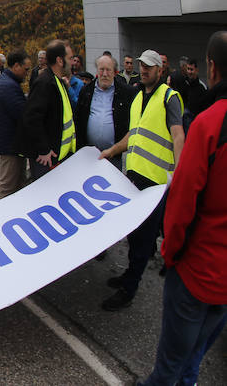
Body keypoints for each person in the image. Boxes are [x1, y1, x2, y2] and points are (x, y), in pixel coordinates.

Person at [138, 31, 227, 385]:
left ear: (211, 67)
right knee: (194, 358)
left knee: (169, 366)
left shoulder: (209, 123)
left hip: (196, 269)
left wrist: (171, 252)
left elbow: (182, 201)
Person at [99, 49, 185, 311]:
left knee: (144, 238)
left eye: (150, 66)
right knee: (134, 234)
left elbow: (178, 135)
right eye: (141, 66)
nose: (144, 70)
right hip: (134, 176)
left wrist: (180, 175)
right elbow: (132, 135)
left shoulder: (169, 97)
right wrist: (111, 151)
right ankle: (129, 275)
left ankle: (130, 287)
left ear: (160, 70)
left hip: (156, 182)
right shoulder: (138, 97)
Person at [17, 40, 77, 181]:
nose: (73, 63)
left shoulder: (57, 81)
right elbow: (31, 118)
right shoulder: (45, 83)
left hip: (56, 156)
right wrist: (43, 149)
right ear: (59, 60)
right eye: (69, 59)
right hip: (46, 159)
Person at [74, 54, 135, 170]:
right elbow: (78, 119)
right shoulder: (86, 91)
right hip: (88, 155)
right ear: (97, 71)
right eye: (102, 70)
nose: (105, 74)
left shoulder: (126, 92)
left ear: (115, 72)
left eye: (108, 70)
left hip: (114, 155)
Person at [0, 50, 31, 200]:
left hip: (12, 144)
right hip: (10, 145)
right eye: (25, 69)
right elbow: (22, 114)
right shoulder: (9, 86)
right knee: (6, 187)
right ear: (16, 66)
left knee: (15, 185)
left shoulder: (8, 82)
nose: (26, 74)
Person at [173, 58, 208, 130]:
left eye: (191, 69)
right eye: (188, 69)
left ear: (197, 70)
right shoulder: (182, 83)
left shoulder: (201, 88)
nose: (189, 72)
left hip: (194, 121)